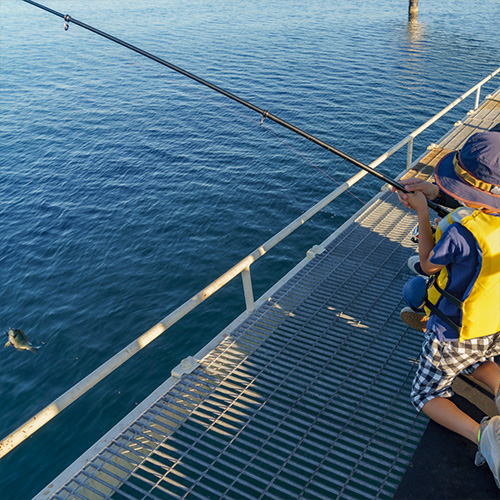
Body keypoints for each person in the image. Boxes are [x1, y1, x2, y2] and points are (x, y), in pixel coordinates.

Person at [394, 130, 500, 489]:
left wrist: (423, 211)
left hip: (453, 330)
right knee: (477, 359)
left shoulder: (459, 229)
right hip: (491, 325)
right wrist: (434, 194)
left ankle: (483, 436)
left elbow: (426, 263)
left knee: (425, 394)